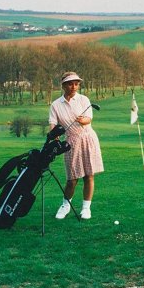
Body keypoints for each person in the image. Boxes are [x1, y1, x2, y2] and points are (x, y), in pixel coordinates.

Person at [49, 71, 104, 220]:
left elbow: (89, 119)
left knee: (89, 175)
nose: (74, 86)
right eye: (70, 83)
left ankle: (86, 208)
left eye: (76, 83)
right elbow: (53, 125)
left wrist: (83, 120)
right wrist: (54, 137)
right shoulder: (55, 105)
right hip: (71, 142)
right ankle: (65, 205)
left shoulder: (84, 99)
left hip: (88, 138)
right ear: (64, 85)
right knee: (72, 179)